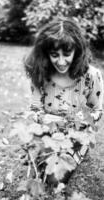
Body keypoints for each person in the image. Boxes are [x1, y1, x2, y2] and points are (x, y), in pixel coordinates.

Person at [24, 16, 104, 194]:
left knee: (53, 179)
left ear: (77, 50)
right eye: (54, 55)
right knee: (38, 166)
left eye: (67, 54)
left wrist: (78, 120)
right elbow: (33, 111)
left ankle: (75, 155)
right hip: (47, 132)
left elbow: (97, 111)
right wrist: (45, 119)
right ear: (46, 53)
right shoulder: (41, 73)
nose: (61, 61)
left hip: (76, 136)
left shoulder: (91, 76)